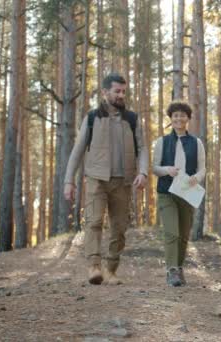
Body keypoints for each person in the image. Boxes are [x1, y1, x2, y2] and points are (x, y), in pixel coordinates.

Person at [64, 73, 149, 285]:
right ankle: (94, 266)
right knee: (93, 222)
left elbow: (143, 148)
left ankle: (111, 269)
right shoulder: (92, 118)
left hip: (123, 181)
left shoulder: (132, 119)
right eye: (117, 91)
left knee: (119, 227)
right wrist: (69, 181)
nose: (121, 95)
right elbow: (78, 150)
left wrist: (143, 172)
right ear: (105, 92)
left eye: (123, 91)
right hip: (96, 179)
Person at [152, 101, 206, 287]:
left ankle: (179, 268)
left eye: (182, 115)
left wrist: (196, 179)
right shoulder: (162, 141)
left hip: (187, 192)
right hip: (166, 192)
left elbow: (202, 169)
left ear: (188, 119)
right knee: (172, 232)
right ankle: (171, 270)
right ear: (171, 118)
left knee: (183, 235)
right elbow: (155, 168)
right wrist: (166, 170)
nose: (179, 118)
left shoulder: (196, 142)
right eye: (175, 115)